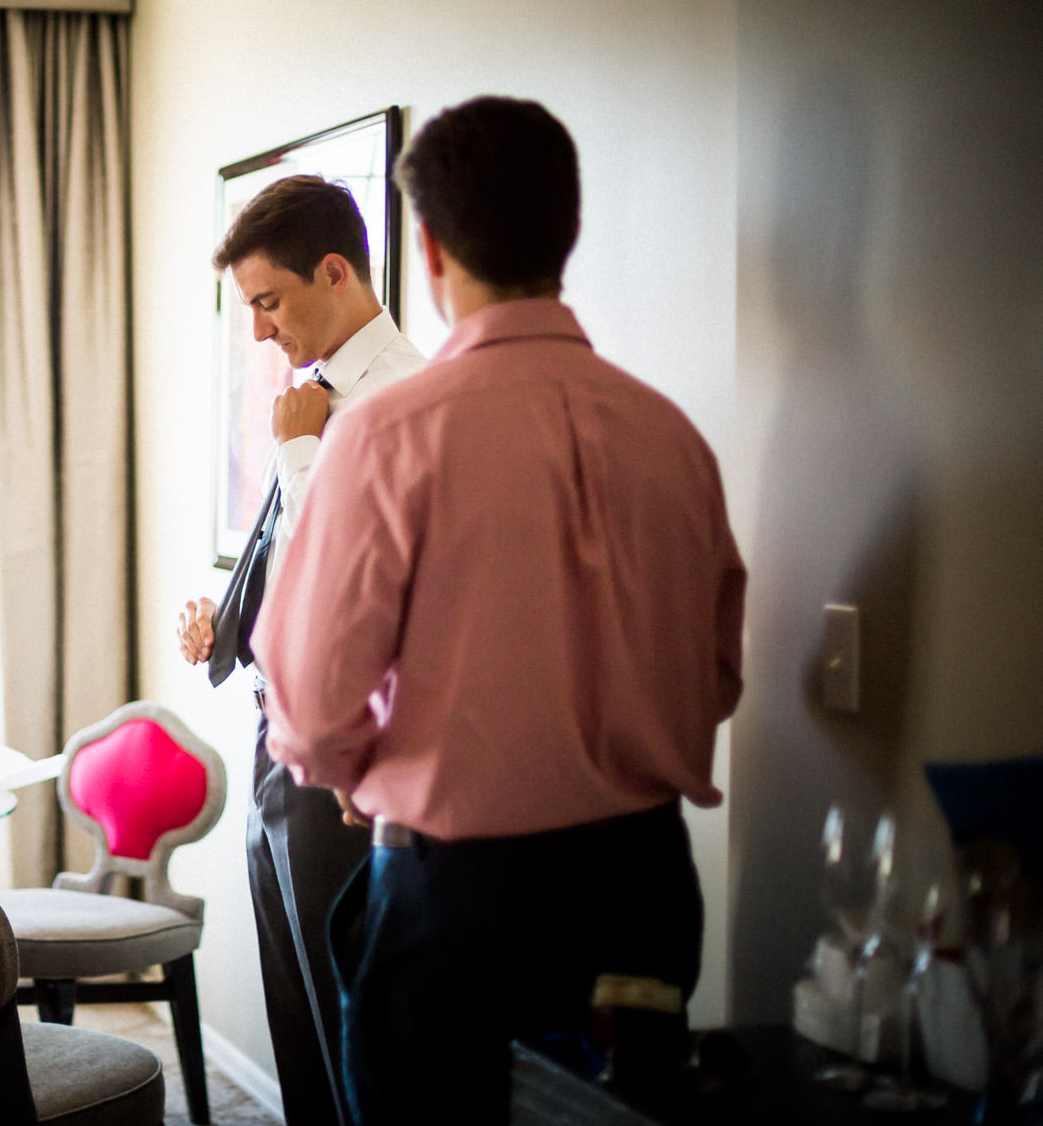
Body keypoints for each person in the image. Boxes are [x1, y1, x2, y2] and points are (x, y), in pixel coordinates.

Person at [253, 98, 746, 1124]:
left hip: (460, 906)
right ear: (567, 231)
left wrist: (355, 772)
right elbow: (719, 677)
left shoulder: (385, 435)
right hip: (648, 898)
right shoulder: (673, 439)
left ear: (426, 248)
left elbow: (306, 710)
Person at [176, 175, 424, 1126]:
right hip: (276, 734)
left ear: (334, 271)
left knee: (346, 1014)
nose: (260, 331)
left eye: (268, 302)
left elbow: (365, 585)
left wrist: (301, 456)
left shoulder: (401, 401)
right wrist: (233, 619)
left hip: (347, 759)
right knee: (298, 1015)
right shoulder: (312, 402)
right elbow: (293, 562)